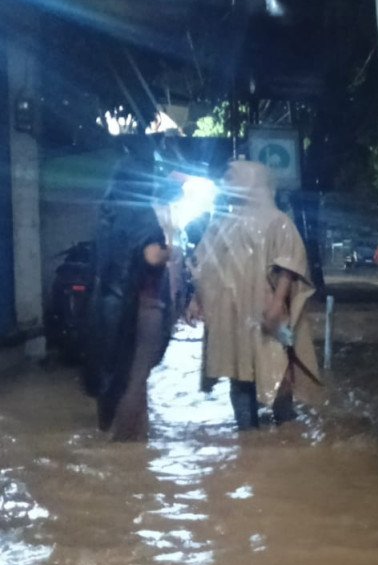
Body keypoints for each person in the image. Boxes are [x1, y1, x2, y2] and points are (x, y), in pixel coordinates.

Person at [188, 161, 322, 430]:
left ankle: (287, 433)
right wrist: (197, 299)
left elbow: (290, 265)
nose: (227, 182)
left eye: (233, 177)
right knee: (240, 373)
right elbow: (205, 265)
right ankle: (248, 442)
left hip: (271, 315)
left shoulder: (278, 222)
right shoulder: (222, 222)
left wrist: (276, 303)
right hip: (234, 315)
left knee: (281, 368)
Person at [84, 158, 173, 441]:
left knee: (113, 369)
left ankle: (112, 436)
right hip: (139, 305)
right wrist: (171, 249)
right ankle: (129, 446)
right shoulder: (142, 213)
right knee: (135, 378)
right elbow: (152, 257)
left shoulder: (107, 213)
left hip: (106, 303)